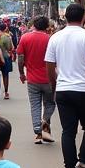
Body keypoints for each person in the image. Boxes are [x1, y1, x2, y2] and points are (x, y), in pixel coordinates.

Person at [45, 2, 85, 168]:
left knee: (68, 131)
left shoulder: (55, 37)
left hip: (63, 89)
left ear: (65, 17)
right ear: (84, 17)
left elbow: (50, 66)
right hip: (84, 89)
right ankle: (83, 162)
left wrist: (55, 85)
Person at [17, 16, 55, 145]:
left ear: (34, 24)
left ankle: (39, 132)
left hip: (32, 79)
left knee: (35, 105)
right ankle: (45, 124)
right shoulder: (50, 39)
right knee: (50, 104)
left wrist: (22, 73)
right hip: (49, 79)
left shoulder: (25, 38)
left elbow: (21, 58)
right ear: (46, 26)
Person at [0, 22, 16, 100]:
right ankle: (6, 92)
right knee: (5, 75)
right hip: (5, 57)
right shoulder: (7, 37)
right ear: (5, 28)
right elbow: (10, 48)